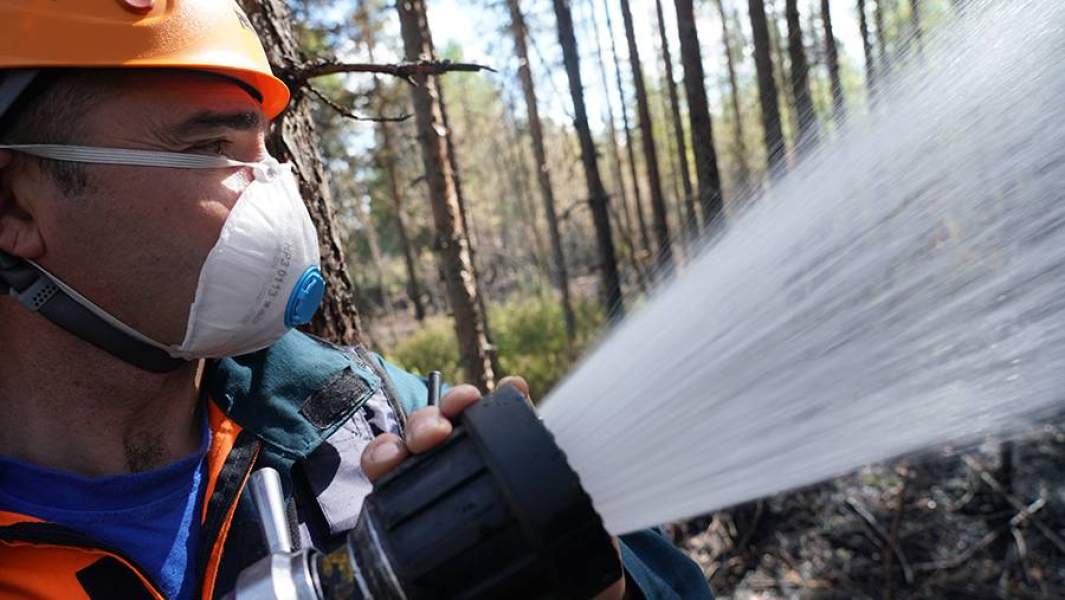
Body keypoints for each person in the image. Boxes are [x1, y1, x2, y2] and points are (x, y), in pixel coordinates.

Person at [0, 2, 713, 598]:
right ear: (14, 205)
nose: (278, 194)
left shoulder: (364, 412)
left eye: (266, 149)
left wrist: (586, 579)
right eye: (212, 147)